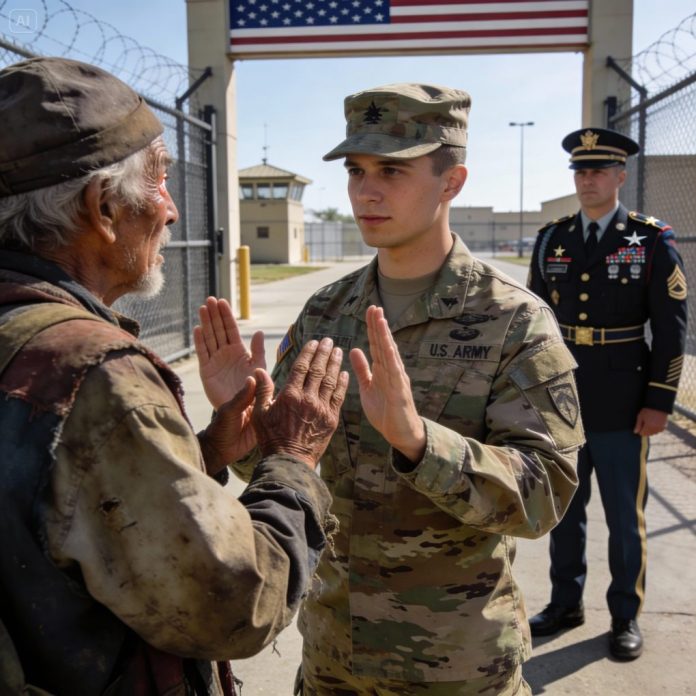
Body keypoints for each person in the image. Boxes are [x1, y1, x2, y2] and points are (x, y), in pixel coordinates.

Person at [197, 83, 584, 695]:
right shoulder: (326, 312)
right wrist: (245, 430)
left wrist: (421, 444)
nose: (365, 192)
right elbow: (287, 471)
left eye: (391, 171)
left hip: (456, 666)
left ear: (452, 182)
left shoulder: (513, 320)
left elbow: (545, 495)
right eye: (356, 171)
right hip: (334, 657)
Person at [0, 56, 349, 696]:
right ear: (104, 207)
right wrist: (293, 461)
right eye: (159, 179)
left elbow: (54, 504)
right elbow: (234, 605)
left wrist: (205, 452)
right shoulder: (92, 374)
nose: (171, 211)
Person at [527, 127, 688, 660]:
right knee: (564, 512)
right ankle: (564, 603)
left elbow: (671, 330)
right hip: (562, 401)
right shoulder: (552, 239)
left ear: (620, 176)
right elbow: (535, 323)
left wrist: (659, 401)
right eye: (580, 171)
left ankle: (624, 615)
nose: (587, 180)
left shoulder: (649, 238)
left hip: (625, 402)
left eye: (598, 170)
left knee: (624, 518)